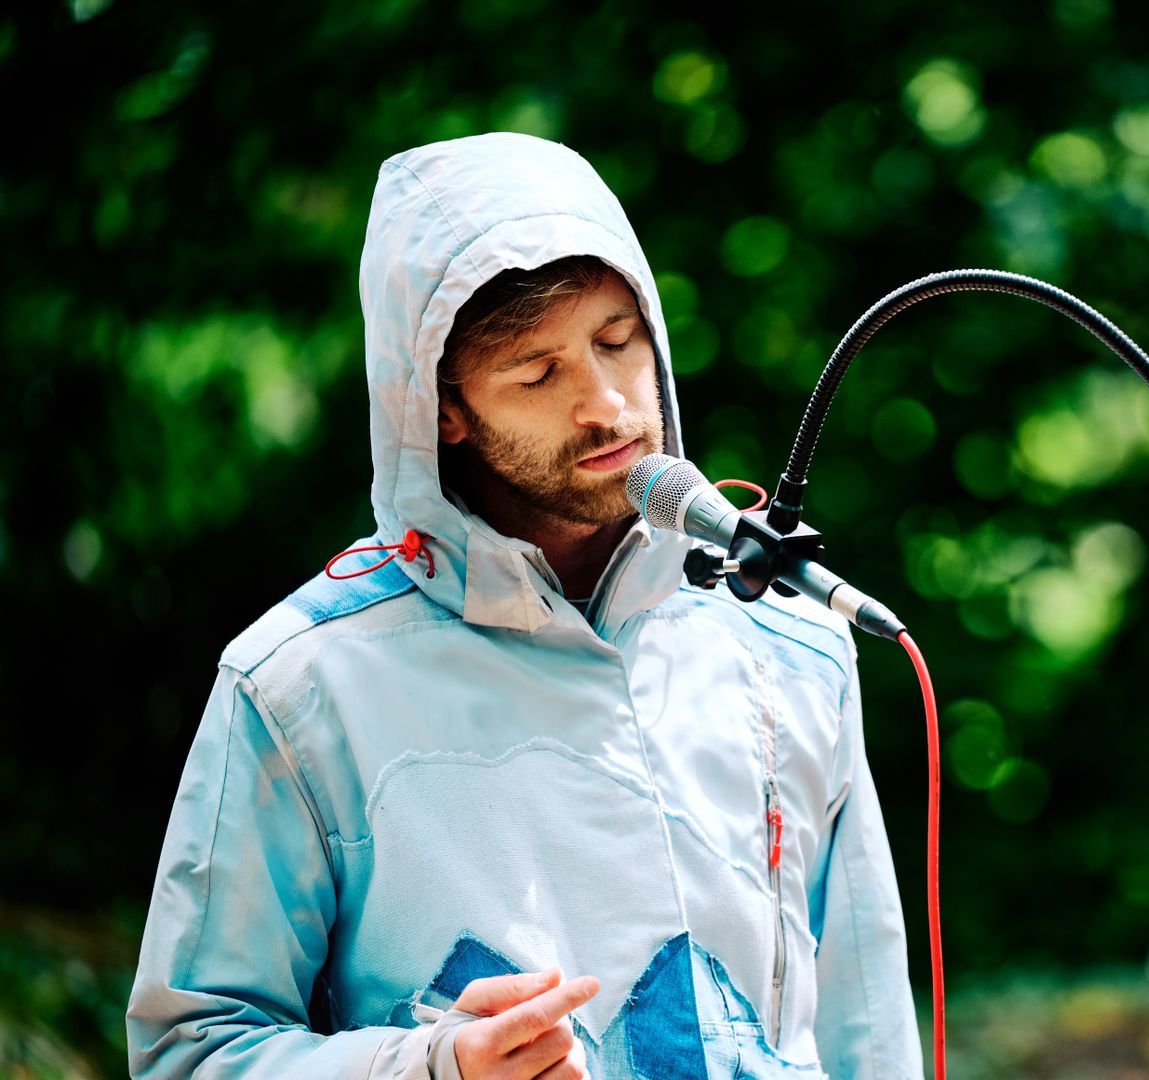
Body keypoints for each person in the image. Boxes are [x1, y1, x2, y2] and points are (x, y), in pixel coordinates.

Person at [126, 131, 924, 1080]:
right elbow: (189, 1050)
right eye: (537, 373)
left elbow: (870, 1038)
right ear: (442, 409)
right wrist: (432, 1067)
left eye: (617, 343)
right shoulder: (299, 686)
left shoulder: (793, 644)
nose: (606, 404)